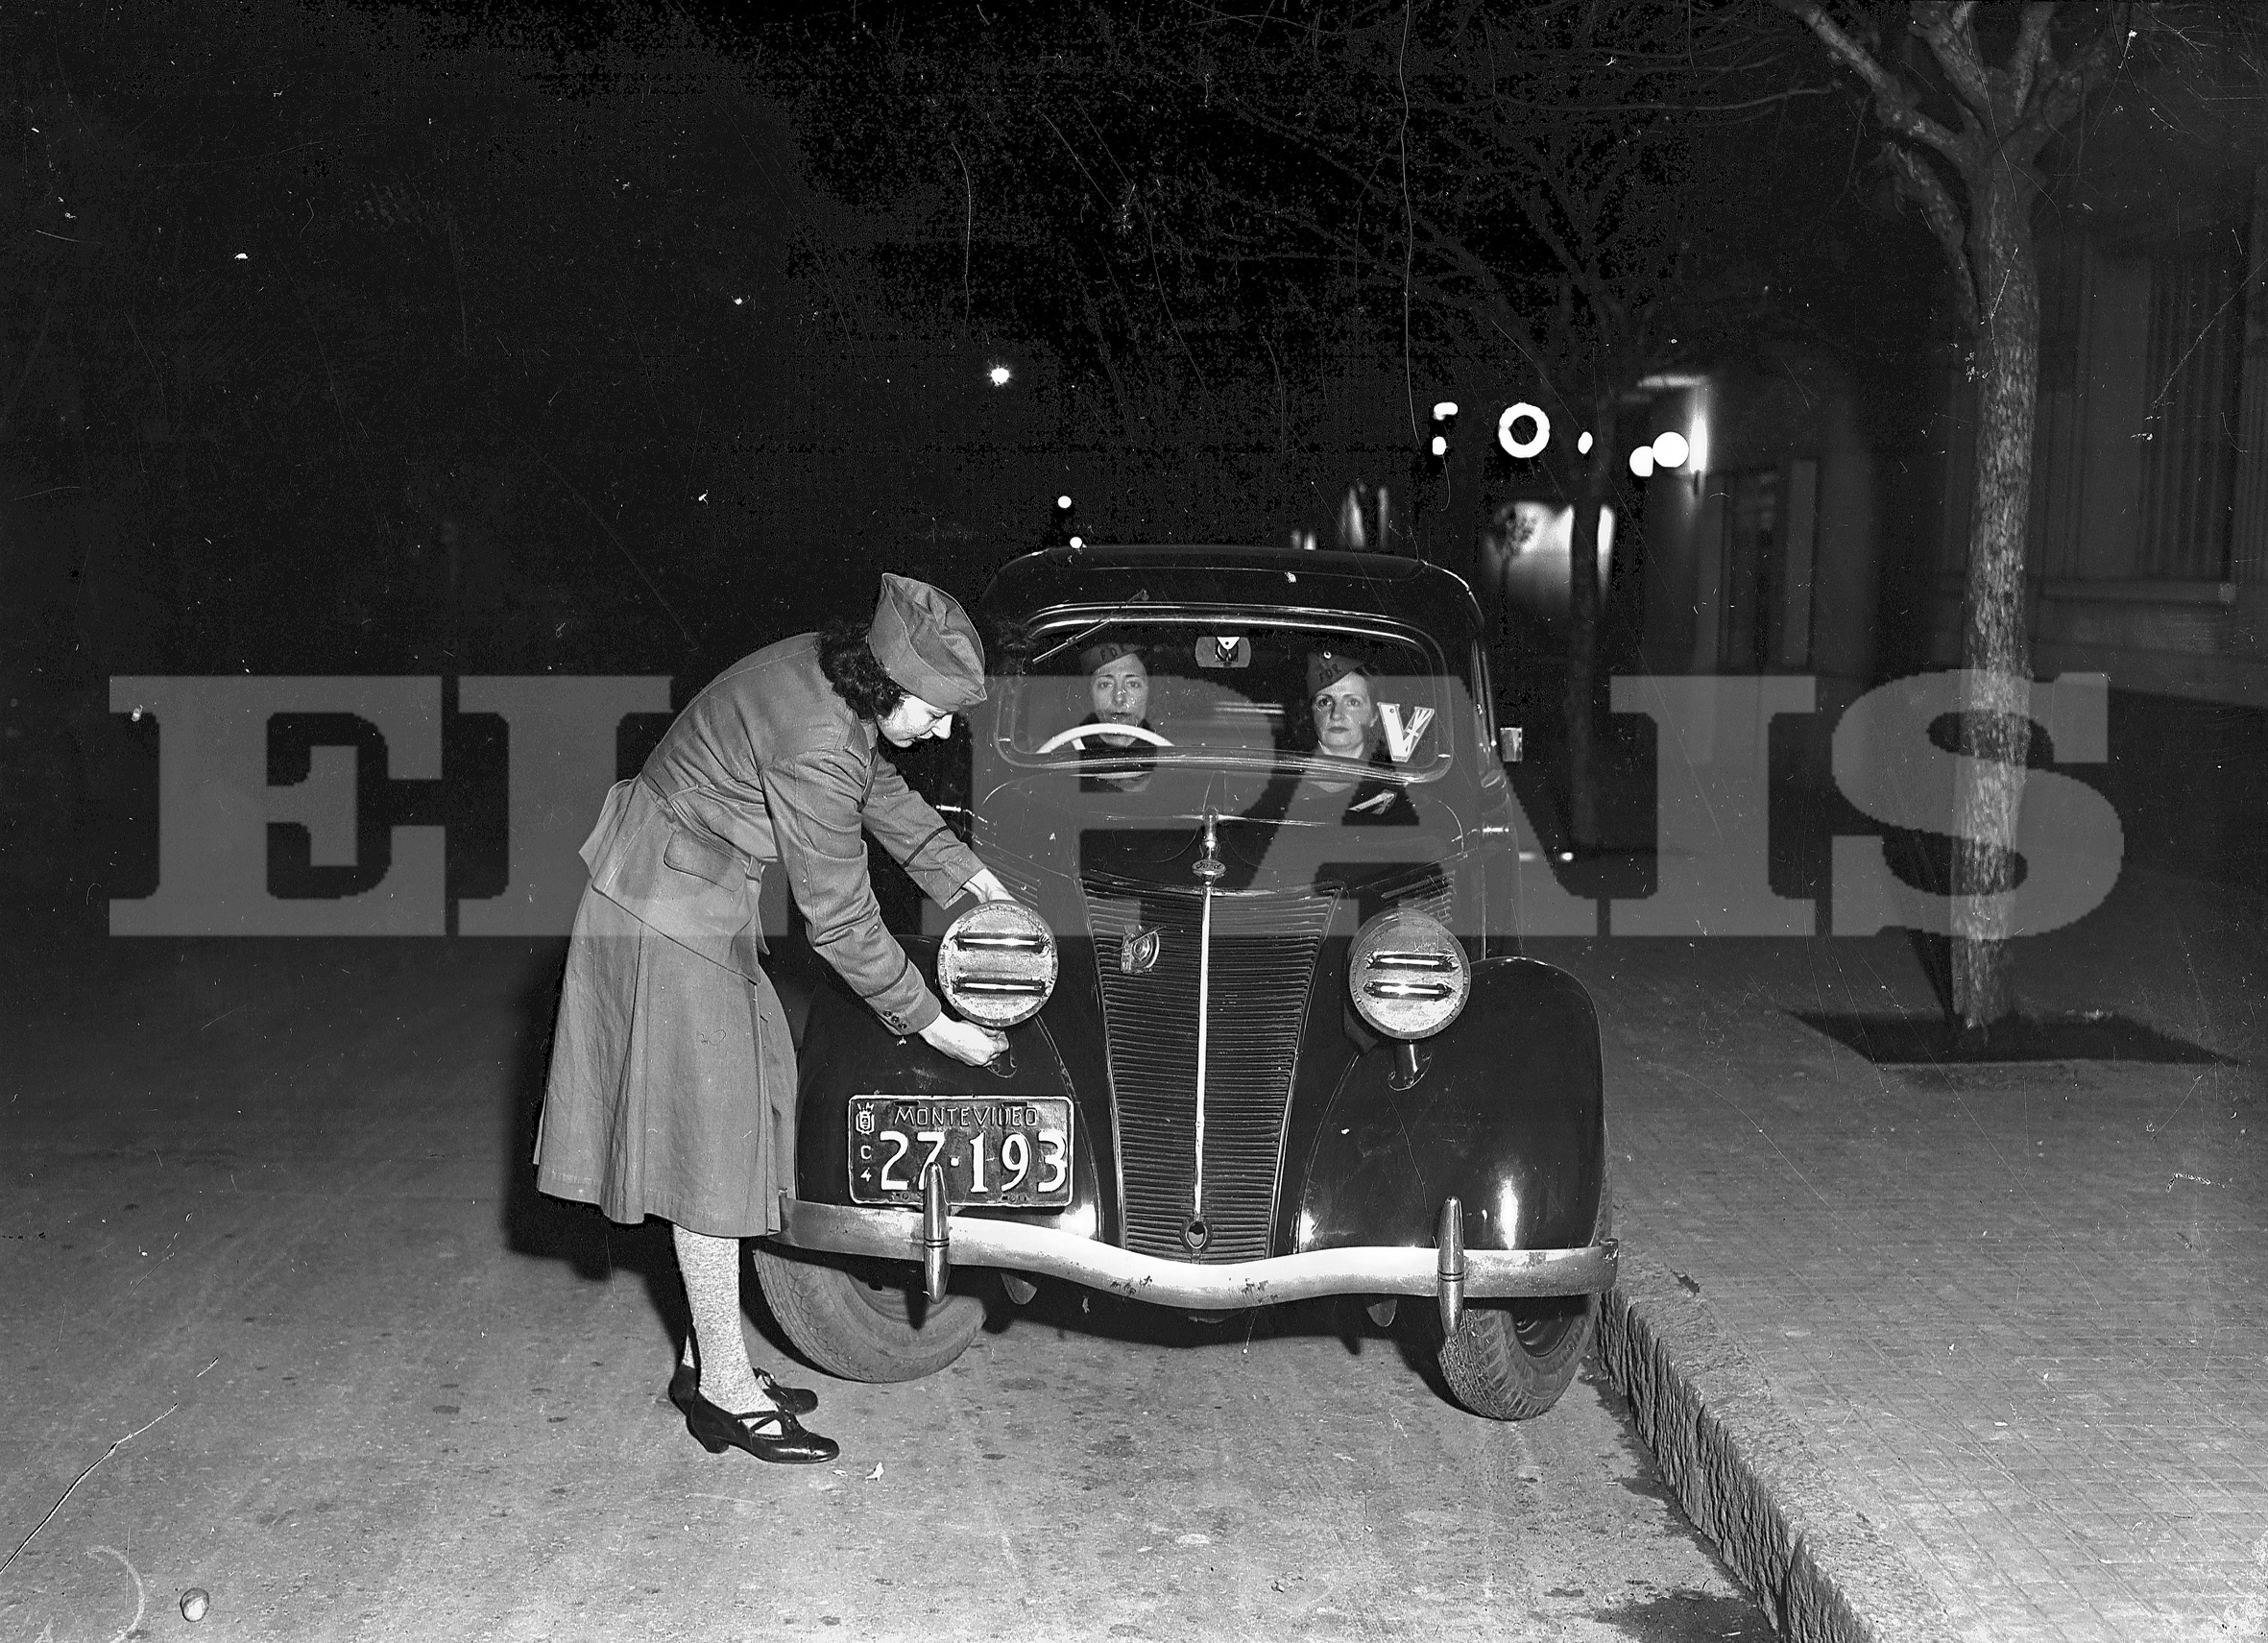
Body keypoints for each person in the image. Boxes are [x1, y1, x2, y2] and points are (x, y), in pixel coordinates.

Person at [534, 574, 1014, 1465]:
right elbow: (840, 920)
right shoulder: (815, 735)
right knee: (713, 1148)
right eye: (939, 711)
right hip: (663, 906)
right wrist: (935, 1024)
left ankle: (707, 1356)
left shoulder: (833, 680)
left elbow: (881, 794)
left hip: (691, 889)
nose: (945, 731)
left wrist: (974, 883)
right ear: (889, 684)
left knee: (751, 1115)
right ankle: (722, 1389)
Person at [1074, 640, 1156, 789]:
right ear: (1089, 694)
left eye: (1133, 684)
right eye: (1105, 684)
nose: (1119, 698)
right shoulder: (1066, 756)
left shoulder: (1170, 757)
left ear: (1148, 692)